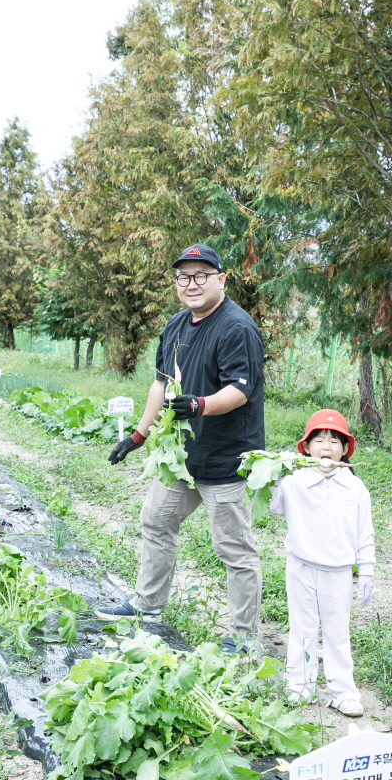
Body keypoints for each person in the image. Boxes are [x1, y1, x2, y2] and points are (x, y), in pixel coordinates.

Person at [98, 244, 265, 654]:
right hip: (184, 456)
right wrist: (138, 436)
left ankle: (243, 636)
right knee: (156, 519)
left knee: (233, 547)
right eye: (184, 277)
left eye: (201, 275)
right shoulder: (175, 325)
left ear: (220, 279)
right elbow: (161, 383)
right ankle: (147, 604)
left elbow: (240, 390)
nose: (192, 284)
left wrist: (200, 405)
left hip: (227, 457)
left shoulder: (236, 327)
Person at [271, 409, 374, 717]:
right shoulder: (294, 481)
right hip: (301, 567)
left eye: (333, 441)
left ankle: (343, 692)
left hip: (338, 572)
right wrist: (275, 472)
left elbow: (365, 533)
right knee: (302, 628)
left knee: (337, 632)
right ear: (306, 447)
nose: (326, 446)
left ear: (345, 449)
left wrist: (366, 571)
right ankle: (298, 685)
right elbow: (271, 506)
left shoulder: (355, 488)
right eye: (318, 440)